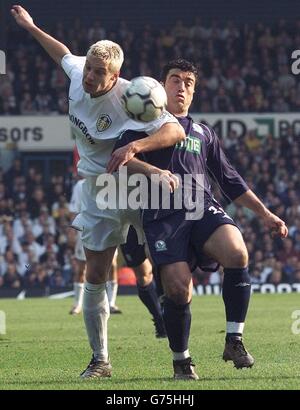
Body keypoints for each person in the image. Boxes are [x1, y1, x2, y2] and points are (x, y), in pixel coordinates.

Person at [11, 5, 185, 379]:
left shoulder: (133, 97)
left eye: (99, 72)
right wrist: (31, 26)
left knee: (166, 271)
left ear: (116, 76)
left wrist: (138, 149)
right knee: (96, 274)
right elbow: (60, 51)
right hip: (97, 189)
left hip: (137, 189)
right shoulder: (78, 73)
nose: (89, 76)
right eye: (88, 67)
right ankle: (100, 360)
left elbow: (176, 132)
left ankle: (181, 354)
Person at [114, 59, 289, 380]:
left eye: (188, 82)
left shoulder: (203, 133)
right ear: (161, 87)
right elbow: (120, 160)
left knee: (237, 252)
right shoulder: (137, 127)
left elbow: (230, 180)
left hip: (201, 207)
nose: (181, 86)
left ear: (193, 92)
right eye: (175, 80)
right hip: (162, 215)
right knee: (180, 290)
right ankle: (182, 361)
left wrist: (265, 214)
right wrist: (155, 171)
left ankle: (234, 340)